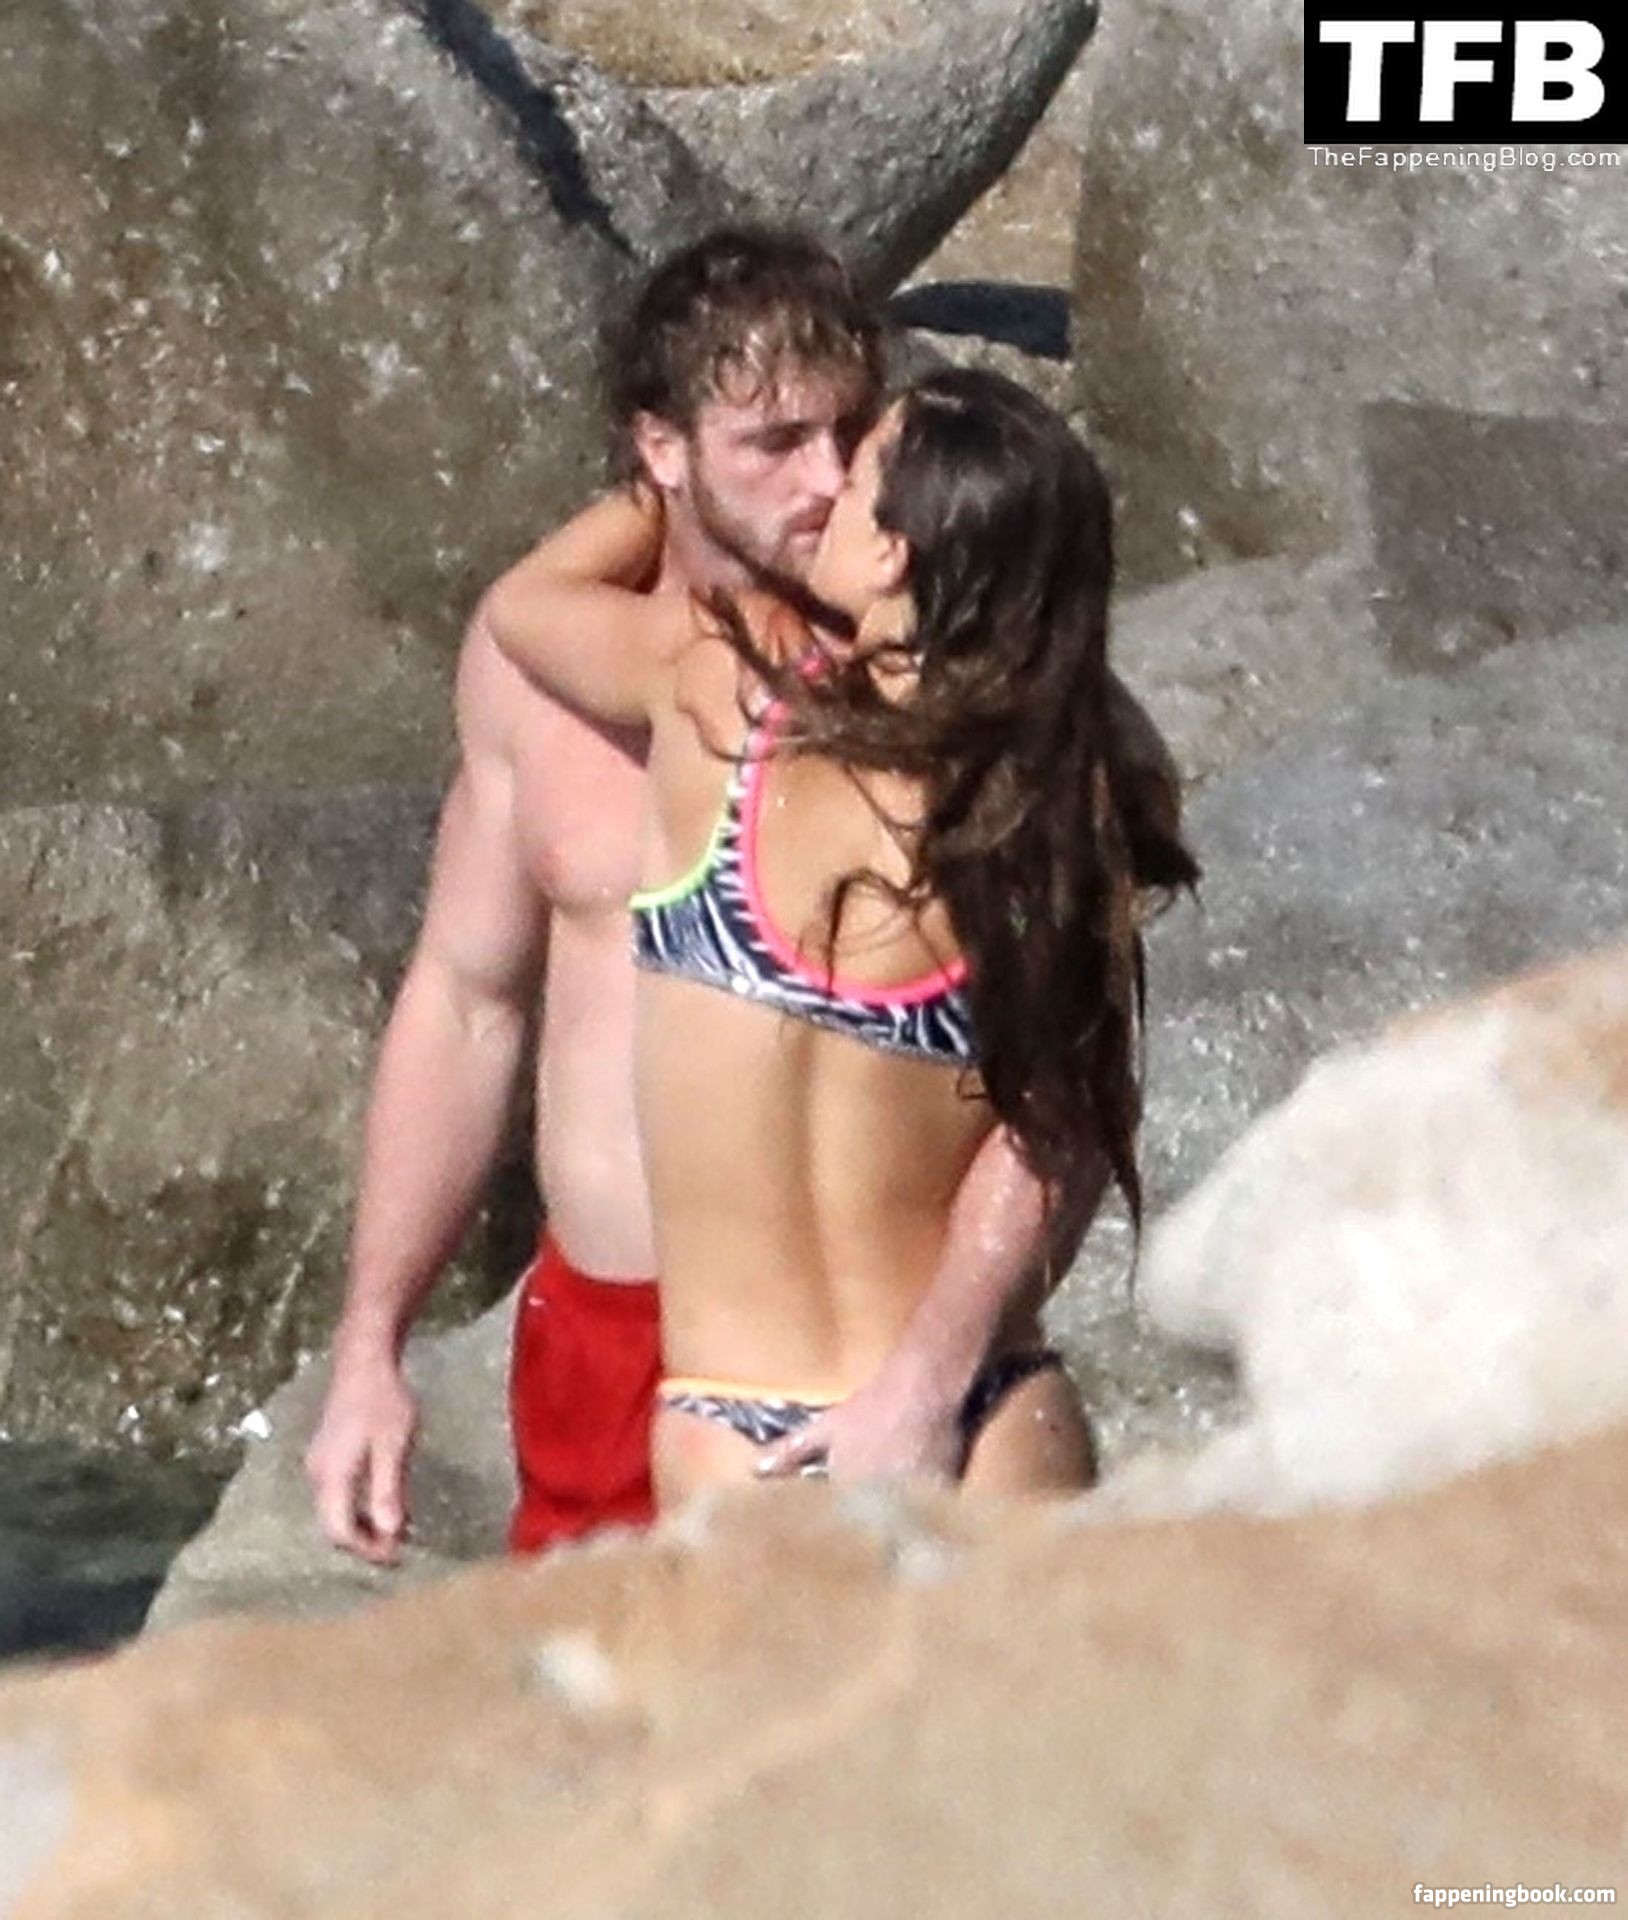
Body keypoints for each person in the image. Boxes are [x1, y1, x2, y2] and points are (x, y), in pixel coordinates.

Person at [304, 230, 1068, 1559]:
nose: (826, 482)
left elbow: (1065, 1088)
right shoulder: (536, 671)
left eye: (851, 433)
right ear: (661, 447)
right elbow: (468, 1000)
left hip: (863, 1355)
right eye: (774, 442)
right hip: (605, 1341)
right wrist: (371, 1347)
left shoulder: (918, 671)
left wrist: (937, 1367)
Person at [484, 366, 1200, 1505]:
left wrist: (675, 470)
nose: (821, 491)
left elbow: (526, 605)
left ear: (892, 554)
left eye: (855, 472)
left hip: (740, 1440)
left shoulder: (721, 690)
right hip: (973, 1413)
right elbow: (1057, 1131)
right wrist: (923, 1389)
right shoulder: (1051, 799)